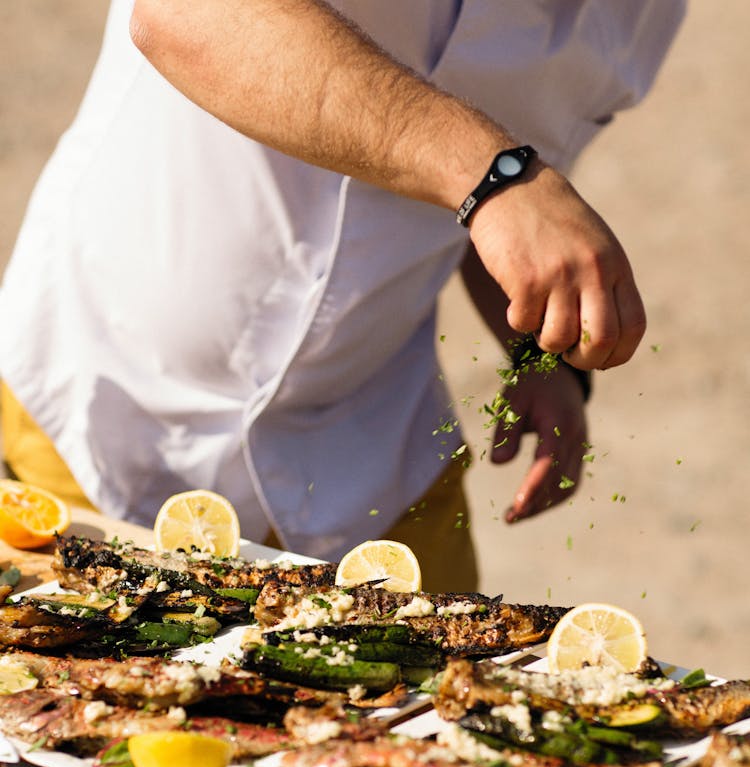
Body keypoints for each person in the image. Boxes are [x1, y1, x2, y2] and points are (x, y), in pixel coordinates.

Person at [0, 0, 685, 589]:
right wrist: (495, 178)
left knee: (450, 730)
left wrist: (540, 354)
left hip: (370, 442)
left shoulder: (644, 15)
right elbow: (185, 13)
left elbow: (522, 194)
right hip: (99, 410)